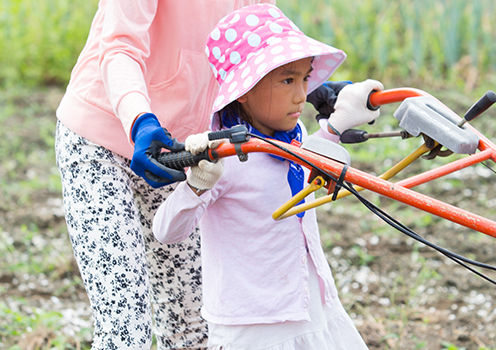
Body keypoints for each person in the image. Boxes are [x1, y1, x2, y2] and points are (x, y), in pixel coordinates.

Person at [153, 4, 383, 349]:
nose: (301, 95)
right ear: (243, 90)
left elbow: (311, 165)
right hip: (254, 325)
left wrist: (338, 124)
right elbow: (166, 231)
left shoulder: (296, 135)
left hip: (311, 302)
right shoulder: (223, 156)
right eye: (287, 80)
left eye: (304, 78)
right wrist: (197, 186)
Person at [54, 1, 276, 349]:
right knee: (125, 330)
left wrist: (306, 84)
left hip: (178, 153)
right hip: (102, 140)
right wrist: (140, 120)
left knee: (192, 327)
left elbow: (260, 53)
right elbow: (119, 46)